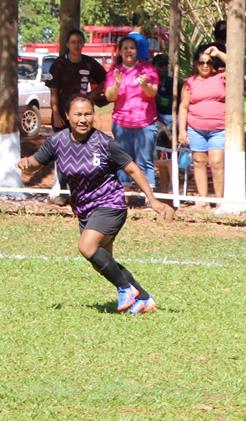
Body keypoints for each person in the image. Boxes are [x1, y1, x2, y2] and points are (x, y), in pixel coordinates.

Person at [16, 96, 173, 314]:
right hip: (84, 210)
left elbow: (133, 169)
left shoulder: (104, 143)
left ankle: (125, 289)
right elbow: (32, 165)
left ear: (94, 115)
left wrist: (152, 199)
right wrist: (26, 165)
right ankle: (144, 298)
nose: (83, 119)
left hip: (110, 204)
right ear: (68, 116)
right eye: (78, 114)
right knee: (101, 262)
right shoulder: (57, 142)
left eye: (87, 114)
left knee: (86, 246)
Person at [45, 28, 107, 206]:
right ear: (67, 45)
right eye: (73, 42)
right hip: (62, 115)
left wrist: (91, 95)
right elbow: (53, 91)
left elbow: (105, 78)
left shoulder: (89, 63)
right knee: (60, 150)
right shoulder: (58, 64)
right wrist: (56, 112)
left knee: (81, 149)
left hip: (81, 116)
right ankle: (59, 189)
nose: (76, 45)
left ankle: (81, 190)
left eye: (79, 42)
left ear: (83, 44)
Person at [105, 36, 159, 192]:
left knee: (145, 160)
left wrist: (144, 85)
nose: (129, 51)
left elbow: (152, 93)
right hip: (122, 124)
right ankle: (124, 195)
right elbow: (110, 97)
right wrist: (116, 84)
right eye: (125, 48)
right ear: (120, 52)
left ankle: (149, 196)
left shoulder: (147, 69)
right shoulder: (114, 72)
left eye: (132, 48)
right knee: (123, 160)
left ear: (137, 51)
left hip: (145, 123)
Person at [178, 45, 227, 206]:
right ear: (195, 64)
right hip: (196, 129)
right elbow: (183, 107)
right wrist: (182, 131)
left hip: (218, 129)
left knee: (217, 162)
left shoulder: (221, 77)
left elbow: (237, 68)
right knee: (199, 162)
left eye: (209, 62)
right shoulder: (189, 83)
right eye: (201, 62)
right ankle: (203, 199)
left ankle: (219, 200)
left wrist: (219, 53)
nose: (205, 65)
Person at [153, 53, 181, 132]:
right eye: (161, 65)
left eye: (166, 65)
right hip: (155, 118)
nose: (164, 68)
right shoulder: (149, 83)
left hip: (171, 117)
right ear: (154, 66)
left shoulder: (174, 83)